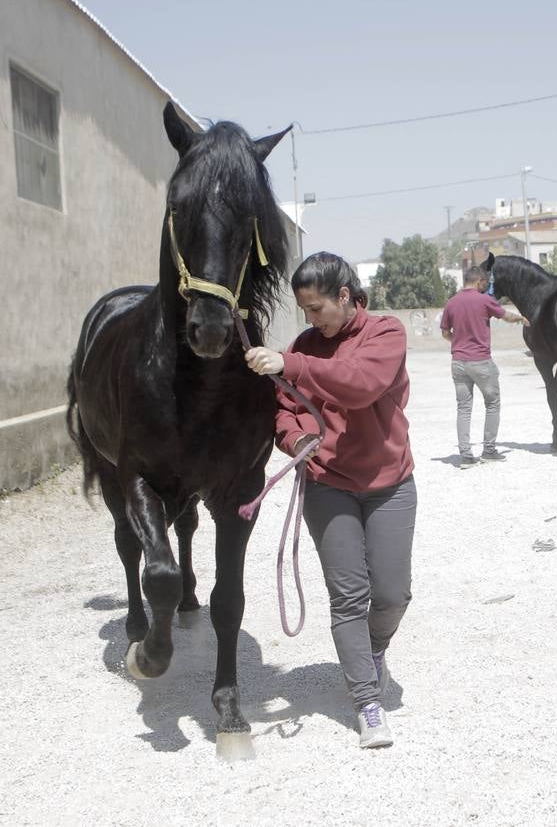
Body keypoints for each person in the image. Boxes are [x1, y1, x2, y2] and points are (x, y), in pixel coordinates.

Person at [244, 251, 415, 748]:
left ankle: (373, 650)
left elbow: (360, 386)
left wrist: (291, 363)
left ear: (344, 296)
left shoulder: (386, 333)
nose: (311, 320)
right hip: (329, 485)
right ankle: (367, 701)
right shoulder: (304, 344)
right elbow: (284, 409)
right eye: (304, 312)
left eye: (317, 308)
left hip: (390, 484)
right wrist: (296, 440)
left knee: (392, 595)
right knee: (348, 598)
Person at [439, 265, 529, 469]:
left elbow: (445, 333)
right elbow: (505, 315)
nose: (486, 286)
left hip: (458, 363)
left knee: (463, 408)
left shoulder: (451, 303)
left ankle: (466, 456)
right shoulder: (484, 300)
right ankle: (488, 451)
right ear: (479, 281)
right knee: (492, 404)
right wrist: (521, 319)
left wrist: (458, 342)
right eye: (485, 283)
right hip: (480, 361)